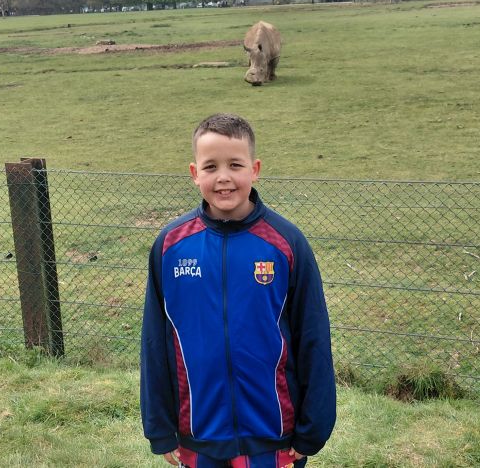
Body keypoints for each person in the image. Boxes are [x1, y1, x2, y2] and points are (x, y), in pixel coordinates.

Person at [140, 113, 336, 468]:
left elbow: (314, 338)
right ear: (194, 173)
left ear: (254, 169)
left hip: (273, 435)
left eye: (235, 164)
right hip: (198, 433)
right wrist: (160, 428)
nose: (224, 177)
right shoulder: (170, 246)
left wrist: (313, 429)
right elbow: (155, 342)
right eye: (210, 166)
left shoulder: (287, 243)